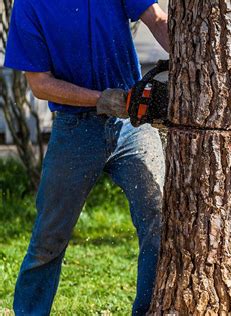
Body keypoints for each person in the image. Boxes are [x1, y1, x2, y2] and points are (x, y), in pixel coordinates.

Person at [4, 0, 169, 314]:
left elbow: (157, 18)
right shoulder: (29, 6)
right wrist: (101, 99)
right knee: (49, 238)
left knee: (158, 221)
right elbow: (40, 84)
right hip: (74, 130)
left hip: (131, 123)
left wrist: (189, 57)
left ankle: (148, 310)